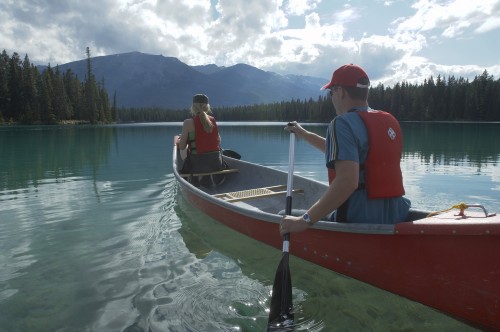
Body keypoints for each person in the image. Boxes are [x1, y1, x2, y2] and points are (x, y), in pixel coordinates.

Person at [280, 64, 411, 235]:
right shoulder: (389, 121)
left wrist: (303, 221)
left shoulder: (341, 123)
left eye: (331, 92)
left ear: (340, 91)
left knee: (283, 215)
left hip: (357, 219)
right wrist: (303, 133)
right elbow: (340, 151)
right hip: (396, 215)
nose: (331, 97)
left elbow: (347, 182)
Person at [177, 94, 226, 183]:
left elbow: (182, 147)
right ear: (207, 107)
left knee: (182, 148)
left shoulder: (188, 122)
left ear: (193, 107)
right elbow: (218, 140)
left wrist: (183, 139)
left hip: (197, 167)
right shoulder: (213, 120)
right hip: (216, 164)